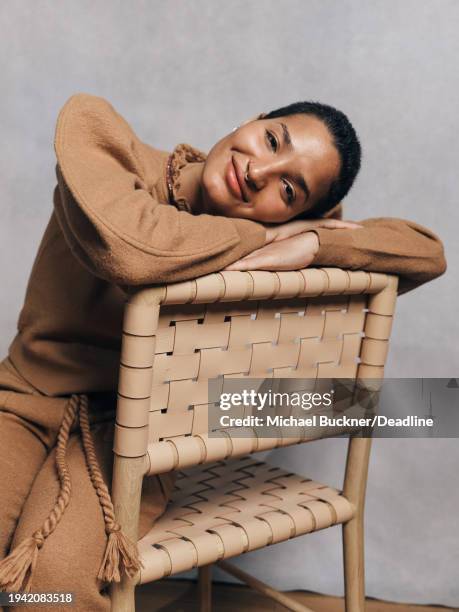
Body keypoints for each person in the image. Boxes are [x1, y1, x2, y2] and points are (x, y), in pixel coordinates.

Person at [0, 93, 446, 611]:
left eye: (288, 187)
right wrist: (266, 234)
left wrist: (315, 245)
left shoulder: (295, 228)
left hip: (132, 438)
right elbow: (135, 249)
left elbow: (424, 250)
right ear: (251, 120)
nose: (261, 171)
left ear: (302, 211)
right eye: (272, 139)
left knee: (45, 591)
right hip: (24, 399)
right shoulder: (102, 137)